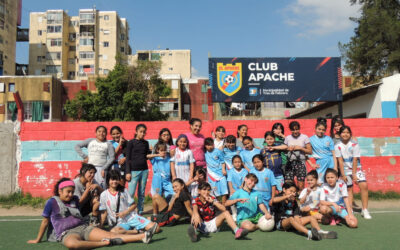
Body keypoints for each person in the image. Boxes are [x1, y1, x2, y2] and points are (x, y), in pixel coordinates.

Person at [28, 178, 154, 248]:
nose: (71, 194)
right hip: (66, 233)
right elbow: (45, 221)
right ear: (59, 191)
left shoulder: (75, 200)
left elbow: (81, 204)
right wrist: (38, 239)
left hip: (83, 228)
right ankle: (103, 243)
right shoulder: (51, 202)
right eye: (68, 191)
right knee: (72, 245)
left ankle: (142, 236)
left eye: (72, 191)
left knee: (109, 234)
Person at [99, 170, 159, 235]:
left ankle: (138, 226)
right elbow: (104, 213)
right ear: (108, 180)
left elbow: (134, 205)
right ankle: (136, 231)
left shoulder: (124, 190)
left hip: (131, 217)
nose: (114, 182)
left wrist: (125, 212)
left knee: (156, 228)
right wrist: (100, 226)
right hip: (120, 223)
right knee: (113, 232)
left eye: (116, 179)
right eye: (112, 180)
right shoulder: (104, 195)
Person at [272, 181, 336, 240]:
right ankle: (310, 234)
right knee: (291, 219)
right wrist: (286, 197)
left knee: (311, 218)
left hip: (293, 223)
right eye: (290, 191)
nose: (292, 194)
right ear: (284, 190)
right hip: (281, 224)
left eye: (294, 192)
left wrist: (299, 225)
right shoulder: (279, 197)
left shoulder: (294, 202)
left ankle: (320, 232)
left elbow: (296, 216)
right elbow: (273, 200)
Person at [335, 126, 371, 219]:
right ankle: (350, 209)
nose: (345, 134)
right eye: (343, 132)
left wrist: (354, 174)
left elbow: (355, 160)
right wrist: (343, 174)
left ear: (350, 134)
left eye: (347, 132)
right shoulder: (337, 146)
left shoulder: (355, 144)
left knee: (364, 185)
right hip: (345, 170)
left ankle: (365, 210)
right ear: (340, 134)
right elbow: (340, 161)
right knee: (349, 189)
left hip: (356, 168)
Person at [126, 124, 151, 215]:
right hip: (133, 171)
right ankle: (129, 210)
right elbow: (128, 158)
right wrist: (128, 172)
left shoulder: (146, 143)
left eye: (144, 132)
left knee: (142, 191)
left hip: (144, 170)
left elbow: (146, 156)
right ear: (136, 132)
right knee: (131, 192)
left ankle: (140, 210)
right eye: (141, 131)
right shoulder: (131, 142)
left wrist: (151, 151)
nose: (142, 133)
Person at [284, 121, 312, 191]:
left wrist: (301, 148)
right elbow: (284, 150)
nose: (295, 131)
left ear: (299, 129)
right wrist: (288, 149)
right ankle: (292, 201)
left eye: (297, 129)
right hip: (290, 163)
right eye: (293, 130)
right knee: (289, 185)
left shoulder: (304, 137)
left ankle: (300, 201)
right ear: (290, 130)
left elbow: (310, 151)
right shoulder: (287, 138)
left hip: (300, 163)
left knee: (301, 186)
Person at [149, 143, 174, 212]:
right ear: (158, 150)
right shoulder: (155, 158)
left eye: (164, 150)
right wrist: (157, 154)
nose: (163, 152)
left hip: (167, 180)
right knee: (157, 195)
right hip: (157, 180)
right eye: (161, 150)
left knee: (173, 193)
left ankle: (169, 209)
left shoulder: (169, 158)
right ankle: (156, 212)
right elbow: (148, 156)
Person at [204, 137, 228, 205]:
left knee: (224, 191)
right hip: (211, 176)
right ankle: (217, 207)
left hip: (221, 174)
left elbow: (223, 162)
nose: (210, 147)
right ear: (205, 146)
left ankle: (224, 206)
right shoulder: (204, 153)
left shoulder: (218, 151)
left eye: (211, 145)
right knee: (215, 192)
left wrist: (223, 169)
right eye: (208, 145)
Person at [227, 155, 248, 221]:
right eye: (235, 162)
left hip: (243, 190)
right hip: (234, 190)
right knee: (232, 197)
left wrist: (242, 187)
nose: (237, 163)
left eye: (239, 162)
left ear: (241, 162)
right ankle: (234, 213)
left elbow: (245, 181)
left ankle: (243, 213)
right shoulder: (230, 171)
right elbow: (229, 181)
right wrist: (231, 190)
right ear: (232, 163)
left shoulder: (245, 171)